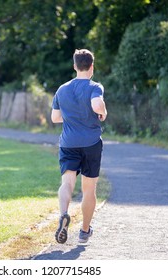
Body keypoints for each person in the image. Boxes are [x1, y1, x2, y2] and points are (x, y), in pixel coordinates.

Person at [51, 49, 107, 244]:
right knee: (89, 189)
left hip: (68, 144)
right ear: (91, 66)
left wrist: (71, 115)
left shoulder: (62, 89)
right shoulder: (94, 86)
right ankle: (84, 231)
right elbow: (97, 106)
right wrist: (103, 111)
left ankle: (64, 214)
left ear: (75, 66)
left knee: (66, 183)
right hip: (91, 143)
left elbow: (55, 118)